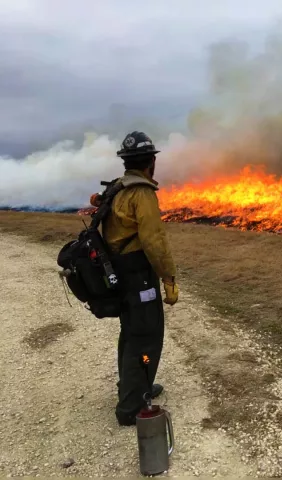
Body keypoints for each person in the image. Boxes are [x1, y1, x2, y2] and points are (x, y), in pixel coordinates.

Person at [89, 131, 179, 426]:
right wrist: (169, 279)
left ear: (126, 162)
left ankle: (135, 387)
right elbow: (154, 241)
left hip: (121, 273)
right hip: (138, 276)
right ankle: (131, 406)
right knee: (146, 336)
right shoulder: (141, 193)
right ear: (151, 162)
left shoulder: (118, 188)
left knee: (131, 334)